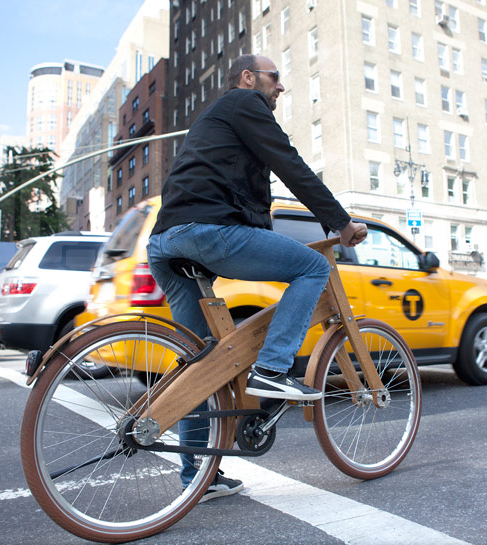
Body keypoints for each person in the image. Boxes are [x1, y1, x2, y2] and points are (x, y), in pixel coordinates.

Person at [147, 54, 367, 501]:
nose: (280, 88)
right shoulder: (245, 103)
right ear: (249, 78)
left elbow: (247, 196)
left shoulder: (220, 121)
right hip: (205, 233)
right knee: (312, 266)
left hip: (166, 242)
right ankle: (270, 369)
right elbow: (291, 163)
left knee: (200, 362)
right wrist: (340, 223)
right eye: (275, 78)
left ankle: (197, 476)